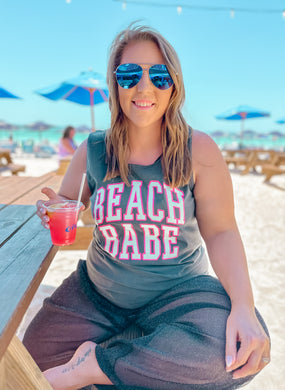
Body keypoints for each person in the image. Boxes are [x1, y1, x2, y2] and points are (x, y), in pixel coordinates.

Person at [23, 24, 270, 390]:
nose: (144, 87)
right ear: (115, 84)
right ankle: (131, 361)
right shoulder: (91, 151)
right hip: (98, 293)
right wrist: (56, 211)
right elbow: (70, 208)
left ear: (175, 85)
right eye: (128, 75)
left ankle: (96, 366)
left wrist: (244, 307)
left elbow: (220, 231)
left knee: (237, 349)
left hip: (179, 295)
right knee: (28, 361)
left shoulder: (198, 151)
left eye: (159, 75)